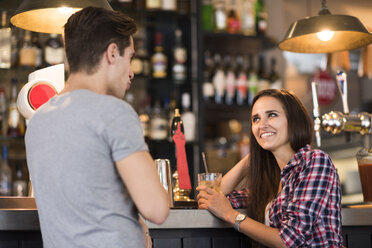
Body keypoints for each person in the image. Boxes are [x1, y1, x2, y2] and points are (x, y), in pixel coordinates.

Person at [25, 7, 169, 248]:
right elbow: (157, 209)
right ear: (112, 53)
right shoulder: (114, 112)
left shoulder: (39, 121)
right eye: (130, 57)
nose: (131, 72)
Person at [197, 89, 343, 247]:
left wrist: (230, 215)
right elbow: (214, 197)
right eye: (256, 119)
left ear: (294, 120)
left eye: (272, 114)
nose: (262, 125)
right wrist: (253, 157)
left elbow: (289, 240)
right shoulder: (274, 180)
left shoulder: (314, 161)